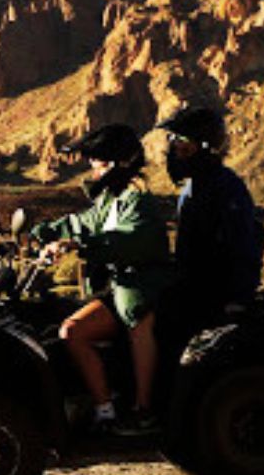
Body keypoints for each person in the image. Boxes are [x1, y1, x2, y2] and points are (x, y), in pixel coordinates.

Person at [30, 123, 174, 435]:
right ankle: (100, 404)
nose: (92, 168)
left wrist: (79, 246)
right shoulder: (111, 199)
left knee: (127, 317)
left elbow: (130, 239)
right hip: (119, 284)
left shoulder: (138, 198)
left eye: (97, 161)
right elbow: (82, 222)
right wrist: (46, 231)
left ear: (116, 162)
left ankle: (139, 409)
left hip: (142, 285)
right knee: (66, 327)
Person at [157, 105, 264, 336]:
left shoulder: (226, 187)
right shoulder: (191, 188)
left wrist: (238, 299)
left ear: (206, 147)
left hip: (214, 299)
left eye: (184, 143)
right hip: (192, 292)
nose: (176, 148)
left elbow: (242, 245)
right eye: (173, 140)